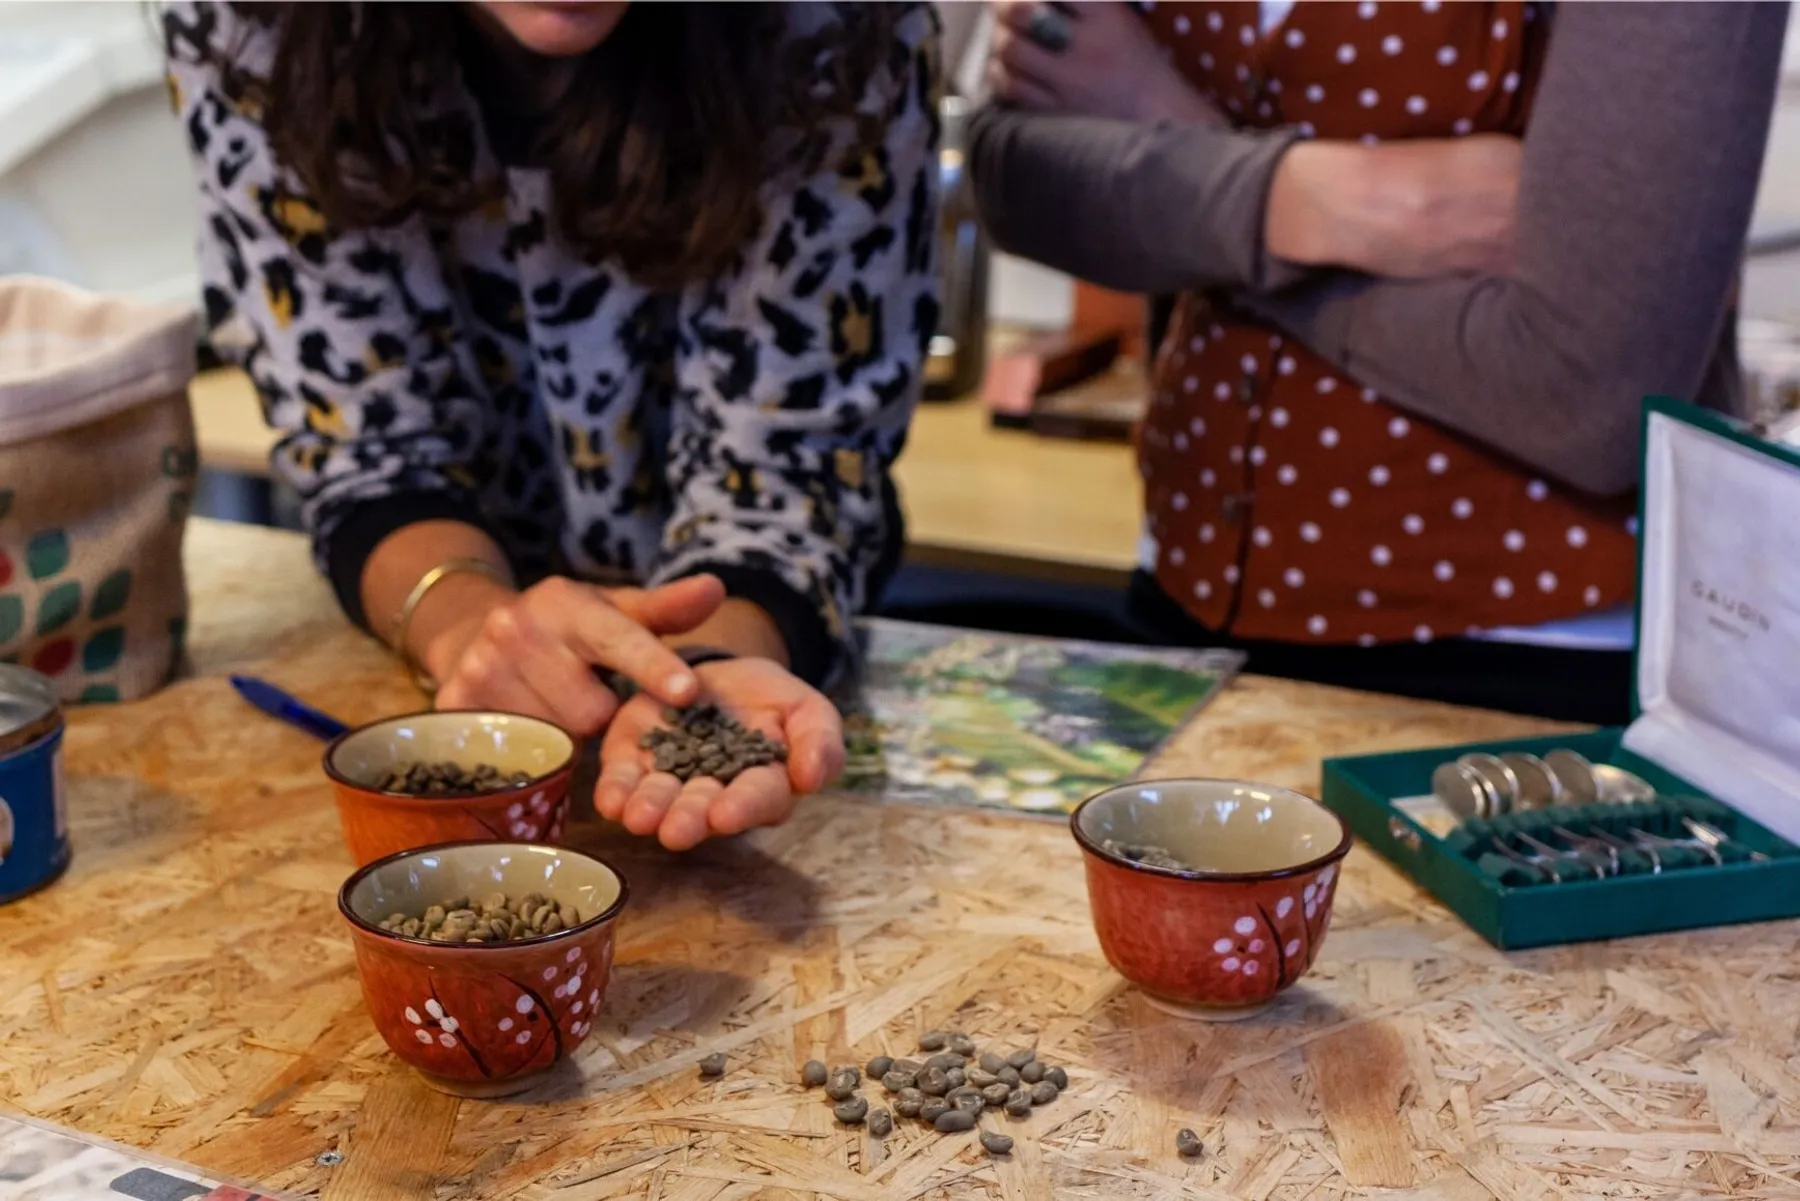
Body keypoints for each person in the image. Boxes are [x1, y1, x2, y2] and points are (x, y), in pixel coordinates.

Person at [163, 1, 940, 847]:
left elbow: (791, 463)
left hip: (758, 624)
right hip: (431, 619)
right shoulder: (254, 20)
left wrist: (700, 670)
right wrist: (469, 629)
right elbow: (370, 450)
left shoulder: (845, 23)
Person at [970, 1, 1787, 723]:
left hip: (1536, 662)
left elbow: (1590, 395)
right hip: (1184, 604)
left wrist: (1178, 148)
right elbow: (1019, 176)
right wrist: (1330, 199)